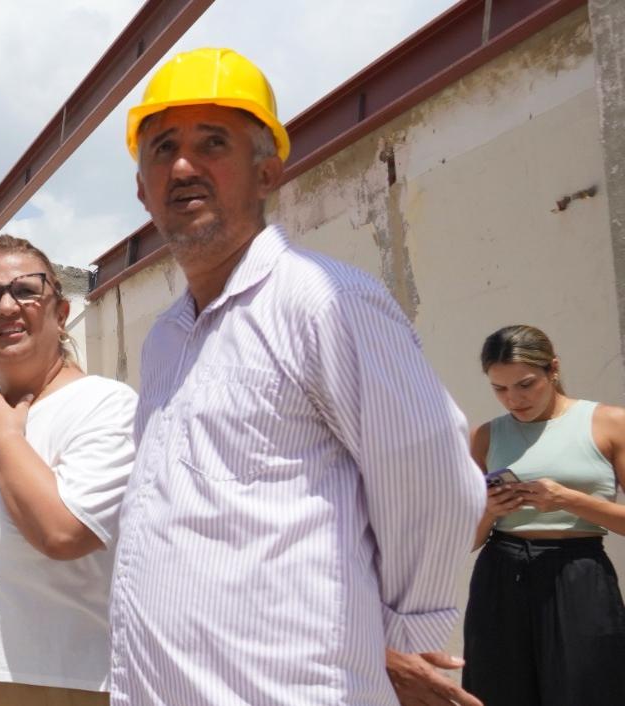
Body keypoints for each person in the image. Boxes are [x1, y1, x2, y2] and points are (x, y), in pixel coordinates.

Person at [104, 48, 486, 705]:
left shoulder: (323, 301)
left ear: (267, 173)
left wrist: (406, 642)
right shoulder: (166, 339)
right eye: (163, 147)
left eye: (213, 142)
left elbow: (435, 478)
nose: (184, 166)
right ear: (142, 188)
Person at [0, 235, 136, 706]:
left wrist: (4, 436)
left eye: (26, 290)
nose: (6, 306)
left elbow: (63, 533)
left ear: (61, 314)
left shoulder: (105, 406)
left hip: (61, 680)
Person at [462, 324, 625, 704]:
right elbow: (464, 541)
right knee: (497, 692)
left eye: (525, 384)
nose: (513, 400)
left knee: (590, 690)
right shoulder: (485, 437)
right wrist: (488, 512)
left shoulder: (609, 423)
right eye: (499, 389)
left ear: (553, 369)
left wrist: (568, 500)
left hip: (578, 572)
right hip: (501, 572)